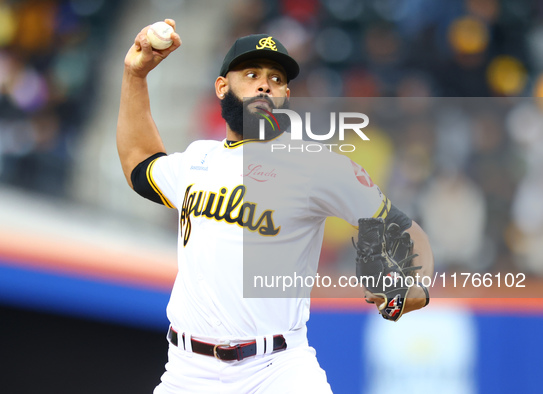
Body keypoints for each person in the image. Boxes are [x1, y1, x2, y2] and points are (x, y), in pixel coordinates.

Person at [116, 19, 434, 393]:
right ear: (221, 87)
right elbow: (140, 163)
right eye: (251, 73)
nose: (266, 84)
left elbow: (402, 228)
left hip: (276, 370)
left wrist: (416, 285)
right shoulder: (197, 159)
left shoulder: (315, 165)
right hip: (188, 372)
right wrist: (134, 76)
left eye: (278, 79)